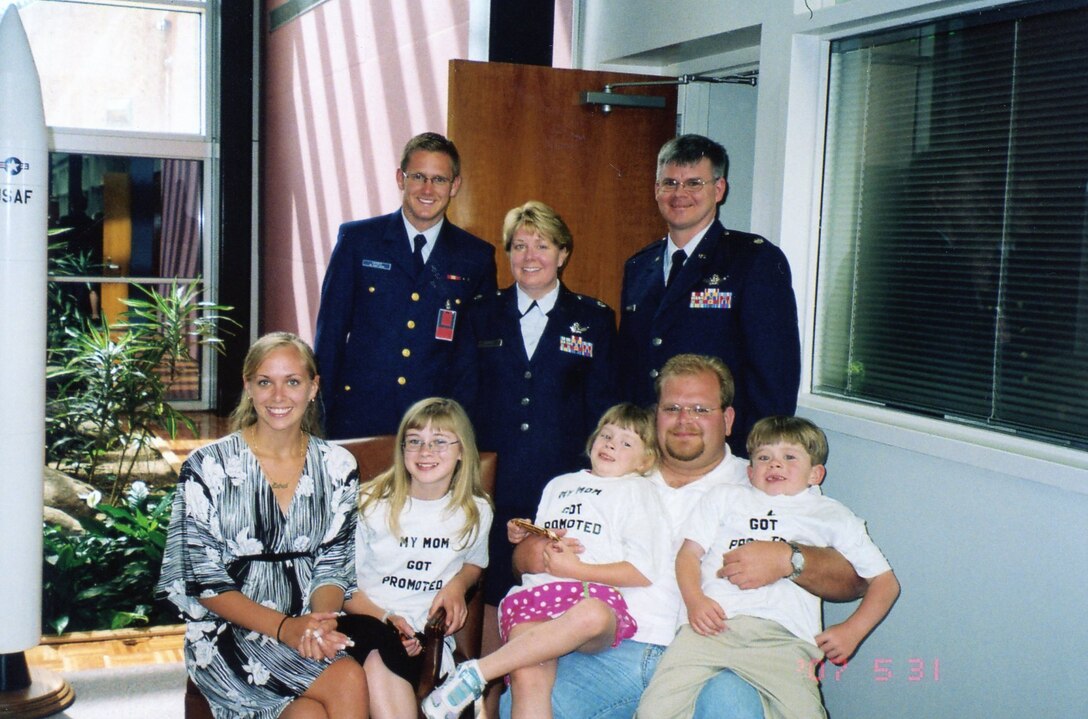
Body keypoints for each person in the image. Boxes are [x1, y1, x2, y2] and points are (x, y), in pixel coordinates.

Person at [507, 354, 866, 719]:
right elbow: (524, 563)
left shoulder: (766, 477)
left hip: (721, 651)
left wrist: (790, 559)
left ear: (727, 420)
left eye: (700, 409)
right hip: (611, 646)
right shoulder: (617, 471)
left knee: (731, 707)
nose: (684, 420)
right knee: (521, 704)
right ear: (655, 416)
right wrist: (537, 551)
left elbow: (853, 580)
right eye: (672, 407)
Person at [157, 332, 367, 718]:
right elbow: (204, 581)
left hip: (306, 625)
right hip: (227, 633)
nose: (278, 396)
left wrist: (316, 624)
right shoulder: (208, 466)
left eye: (293, 381)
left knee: (309, 714)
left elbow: (334, 566)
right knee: (348, 679)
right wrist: (287, 627)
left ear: (313, 387)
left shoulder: (339, 466)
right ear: (248, 386)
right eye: (265, 382)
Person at [636, 415, 900, 718]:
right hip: (709, 628)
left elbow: (885, 581)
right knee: (654, 709)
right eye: (764, 457)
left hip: (783, 640)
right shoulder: (725, 498)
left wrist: (853, 630)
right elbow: (687, 555)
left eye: (789, 457)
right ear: (750, 472)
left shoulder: (831, 515)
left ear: (815, 474)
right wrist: (694, 601)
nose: (775, 465)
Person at [462, 200, 617, 712]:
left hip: (561, 487)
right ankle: (482, 703)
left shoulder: (592, 320)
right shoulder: (480, 312)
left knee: (543, 595)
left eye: (542, 244)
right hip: (493, 483)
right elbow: (461, 397)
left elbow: (603, 410)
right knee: (487, 595)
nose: (531, 256)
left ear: (563, 253)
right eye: (520, 245)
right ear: (508, 253)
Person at [424, 403, 667, 719]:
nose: (610, 444)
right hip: (538, 595)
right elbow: (540, 546)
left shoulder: (638, 490)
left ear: (645, 460)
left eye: (626, 443)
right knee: (528, 678)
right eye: (606, 435)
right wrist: (525, 535)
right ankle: (477, 676)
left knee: (592, 615)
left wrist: (576, 569)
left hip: (590, 597)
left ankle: (478, 673)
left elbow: (642, 570)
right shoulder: (559, 484)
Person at [616, 134, 801, 457]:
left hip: (722, 452)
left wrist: (758, 455)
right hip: (651, 448)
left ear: (719, 189)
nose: (680, 194)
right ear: (656, 189)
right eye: (669, 183)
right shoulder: (639, 266)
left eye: (693, 183)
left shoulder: (752, 260)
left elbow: (774, 376)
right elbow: (632, 368)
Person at [314, 132, 497, 439]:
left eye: (439, 179)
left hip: (433, 425)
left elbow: (474, 355)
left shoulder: (475, 257)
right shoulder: (358, 241)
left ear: (455, 186)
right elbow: (330, 334)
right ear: (401, 178)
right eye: (418, 177)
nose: (428, 189)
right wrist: (320, 415)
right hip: (359, 416)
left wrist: (464, 426)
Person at [337, 397, 493, 718]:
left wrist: (458, 584)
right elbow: (341, 587)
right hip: (365, 622)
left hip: (425, 638)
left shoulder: (476, 511)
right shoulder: (369, 503)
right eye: (415, 441)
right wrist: (386, 620)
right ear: (402, 448)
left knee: (392, 653)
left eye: (439, 442)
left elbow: (475, 562)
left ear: (462, 449)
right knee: (379, 645)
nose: (426, 452)